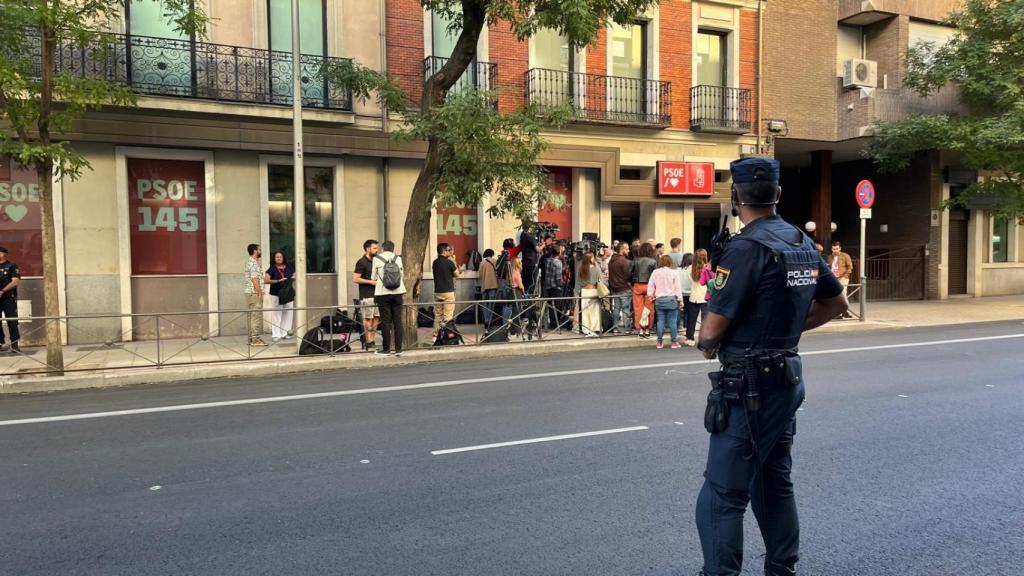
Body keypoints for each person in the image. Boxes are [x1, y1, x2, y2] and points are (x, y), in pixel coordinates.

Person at [693, 157, 847, 576]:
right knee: (773, 481)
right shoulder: (800, 242)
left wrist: (712, 339)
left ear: (736, 196)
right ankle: (782, 567)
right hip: (785, 378)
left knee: (722, 495)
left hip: (748, 386)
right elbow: (837, 303)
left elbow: (710, 333)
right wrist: (788, 330)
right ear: (778, 194)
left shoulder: (744, 248)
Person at [371, 240, 407, 356]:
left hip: (383, 293)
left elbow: (373, 276)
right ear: (393, 248)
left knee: (386, 321)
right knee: (397, 320)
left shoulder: (377, 259)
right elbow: (401, 275)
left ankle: (386, 349)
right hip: (398, 292)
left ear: (382, 248)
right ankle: (398, 349)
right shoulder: (398, 258)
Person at [647, 255, 683, 349]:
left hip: (659, 299)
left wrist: (650, 295)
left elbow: (650, 285)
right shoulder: (674, 272)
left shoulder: (655, 272)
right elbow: (678, 288)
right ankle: (674, 342)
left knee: (660, 321)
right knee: (672, 321)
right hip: (671, 299)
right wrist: (680, 300)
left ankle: (659, 342)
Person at [352, 239, 380, 351]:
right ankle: (367, 341)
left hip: (377, 295)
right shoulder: (361, 262)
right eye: (374, 248)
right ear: (368, 249)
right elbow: (355, 278)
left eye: (377, 248)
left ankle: (372, 340)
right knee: (368, 319)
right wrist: (371, 282)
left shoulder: (376, 261)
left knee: (376, 318)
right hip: (367, 295)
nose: (376, 250)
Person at [263, 250, 295, 343]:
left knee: (288, 313)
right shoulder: (271, 269)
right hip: (276, 294)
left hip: (288, 293)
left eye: (280, 257)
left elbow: (295, 274)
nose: (279, 258)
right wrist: (278, 281)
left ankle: (285, 333)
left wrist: (293, 277)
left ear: (283, 257)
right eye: (277, 257)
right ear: (274, 258)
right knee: (277, 314)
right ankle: (276, 334)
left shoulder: (289, 267)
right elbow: (266, 280)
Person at [431, 242, 461, 339]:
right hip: (448, 292)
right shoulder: (449, 262)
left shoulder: (435, 262)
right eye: (448, 250)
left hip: (437, 291)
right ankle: (448, 336)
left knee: (438, 315)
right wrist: (458, 270)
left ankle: (436, 335)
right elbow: (457, 275)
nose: (450, 252)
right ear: (444, 251)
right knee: (448, 315)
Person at [631, 242, 657, 338]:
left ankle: (640, 329)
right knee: (649, 308)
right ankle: (648, 329)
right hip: (649, 286)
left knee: (638, 309)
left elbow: (630, 273)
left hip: (637, 285)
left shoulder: (635, 260)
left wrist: (631, 283)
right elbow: (655, 276)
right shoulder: (653, 261)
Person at [243, 243, 267, 347]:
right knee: (255, 316)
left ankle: (251, 338)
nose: (261, 251)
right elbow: (254, 279)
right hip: (254, 293)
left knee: (251, 317)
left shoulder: (251, 262)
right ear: (255, 251)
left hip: (250, 293)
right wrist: (259, 292)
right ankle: (255, 339)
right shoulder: (253, 263)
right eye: (259, 249)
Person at [608, 242, 634, 334]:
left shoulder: (611, 260)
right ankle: (627, 329)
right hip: (624, 288)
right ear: (622, 250)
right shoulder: (624, 261)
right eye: (627, 249)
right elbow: (628, 276)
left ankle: (615, 328)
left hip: (615, 288)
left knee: (616, 309)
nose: (628, 250)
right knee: (626, 309)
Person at [685, 249, 710, 345]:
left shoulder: (690, 268)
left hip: (694, 296)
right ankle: (704, 338)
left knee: (691, 319)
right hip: (705, 296)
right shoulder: (707, 268)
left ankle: (690, 338)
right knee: (705, 319)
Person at [0, 246, 22, 353]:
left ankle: (14, 345)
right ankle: (0, 343)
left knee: (12, 321)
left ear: (4, 254)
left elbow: (15, 281)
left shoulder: (11, 266)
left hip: (8, 298)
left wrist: (2, 291)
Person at [575, 252, 602, 336]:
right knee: (594, 311)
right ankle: (594, 329)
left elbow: (578, 282)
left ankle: (586, 330)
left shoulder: (581, 269)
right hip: (593, 290)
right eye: (592, 257)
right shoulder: (596, 267)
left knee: (585, 311)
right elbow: (600, 279)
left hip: (584, 291)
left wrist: (576, 293)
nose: (593, 259)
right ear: (590, 259)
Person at [827, 241, 854, 318]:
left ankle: (845, 311)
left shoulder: (845, 256)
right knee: (835, 295)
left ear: (840, 248)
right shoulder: (829, 257)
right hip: (833, 278)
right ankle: (840, 313)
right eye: (833, 249)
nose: (835, 250)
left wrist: (845, 276)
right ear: (831, 249)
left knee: (843, 294)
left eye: (837, 249)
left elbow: (850, 267)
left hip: (843, 277)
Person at [541, 245, 565, 330]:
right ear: (559, 253)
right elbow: (558, 277)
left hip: (548, 286)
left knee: (551, 306)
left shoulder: (547, 261)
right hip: (556, 287)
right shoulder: (558, 262)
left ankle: (552, 323)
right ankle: (557, 324)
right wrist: (561, 285)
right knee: (558, 306)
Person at [478, 248, 499, 325]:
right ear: (492, 254)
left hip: (484, 286)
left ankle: (486, 320)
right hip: (493, 285)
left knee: (484, 304)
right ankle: (490, 320)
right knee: (491, 304)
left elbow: (479, 275)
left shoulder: (482, 263)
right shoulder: (495, 261)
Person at [678, 252, 694, 345]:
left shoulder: (678, 270)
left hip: (681, 294)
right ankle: (687, 328)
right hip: (691, 294)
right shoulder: (693, 269)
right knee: (690, 313)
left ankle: (682, 327)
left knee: (682, 312)